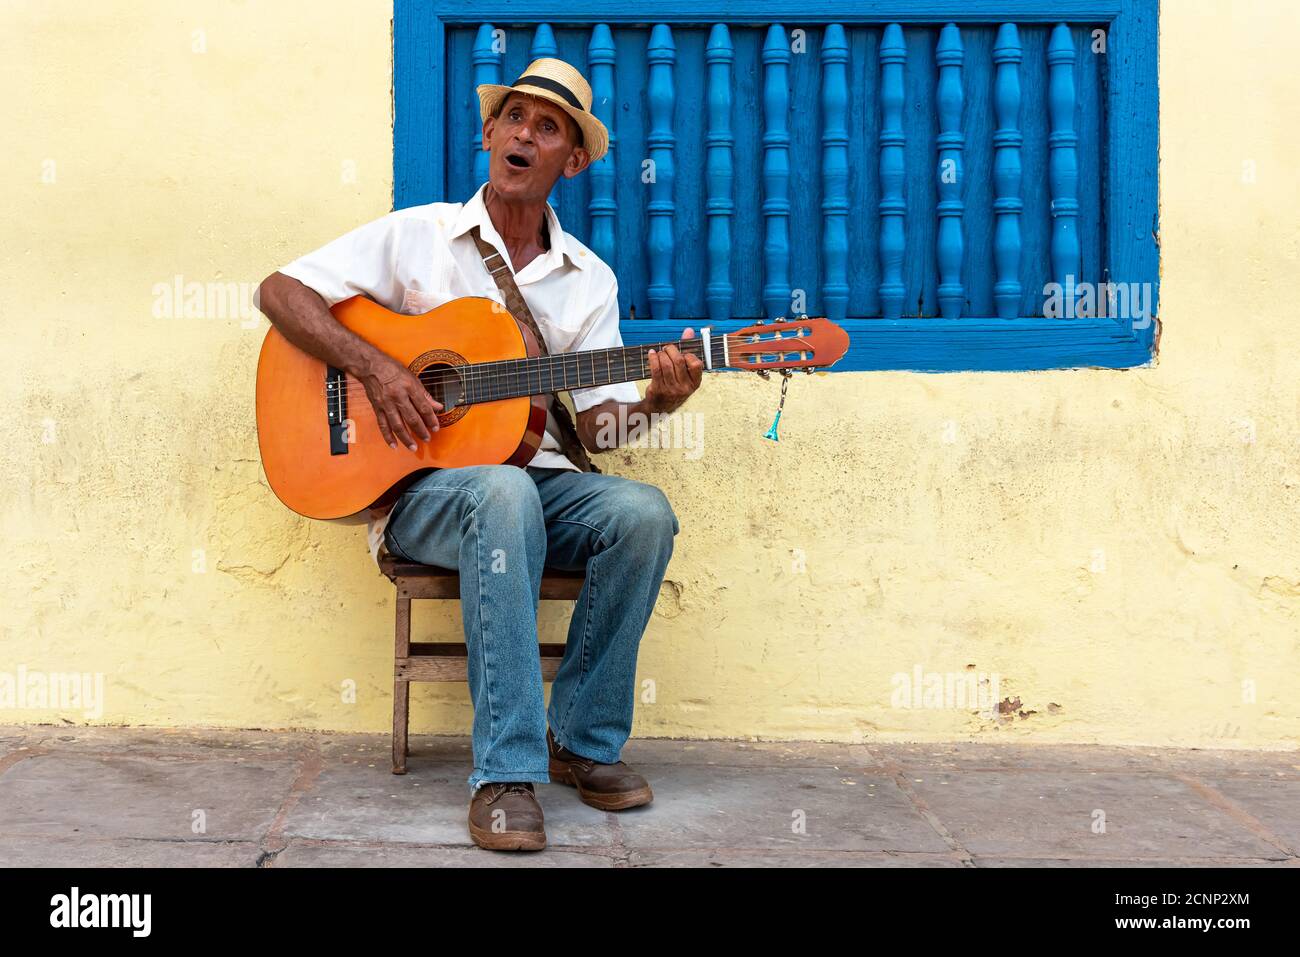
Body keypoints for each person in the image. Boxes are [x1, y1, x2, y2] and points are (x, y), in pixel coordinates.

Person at [256, 58, 703, 851]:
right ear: (489, 134)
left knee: (642, 513)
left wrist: (657, 401)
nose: (526, 135)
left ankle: (583, 740)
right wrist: (377, 368)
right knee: (501, 492)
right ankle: (505, 773)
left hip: (540, 487)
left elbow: (596, 433)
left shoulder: (587, 281)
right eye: (516, 119)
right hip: (424, 497)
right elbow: (280, 292)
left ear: (574, 159)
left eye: (549, 127)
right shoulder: (415, 235)